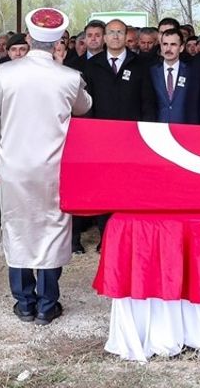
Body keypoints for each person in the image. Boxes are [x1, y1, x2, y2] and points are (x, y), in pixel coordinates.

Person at [0, 8, 92, 326]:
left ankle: (24, 301)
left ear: (28, 37)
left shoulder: (6, 73)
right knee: (52, 228)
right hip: (53, 168)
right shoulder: (69, 77)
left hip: (14, 166)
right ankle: (47, 303)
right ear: (58, 42)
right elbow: (84, 106)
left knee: (17, 227)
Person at [79, 18, 155, 250]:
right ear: (103, 37)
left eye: (119, 32)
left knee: (129, 189)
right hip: (101, 140)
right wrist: (90, 135)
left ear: (126, 36)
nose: (114, 36)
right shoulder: (92, 66)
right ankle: (106, 236)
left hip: (132, 139)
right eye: (110, 32)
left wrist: (146, 135)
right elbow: (86, 105)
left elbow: (148, 103)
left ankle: (129, 237)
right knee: (104, 190)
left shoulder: (140, 64)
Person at [151, 29, 195, 124]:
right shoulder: (151, 72)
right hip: (157, 129)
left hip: (185, 129)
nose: (168, 49)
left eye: (173, 44)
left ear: (181, 48)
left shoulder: (192, 72)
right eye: (165, 44)